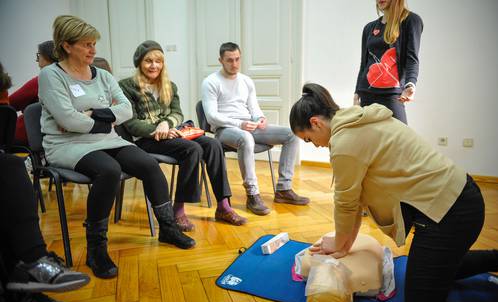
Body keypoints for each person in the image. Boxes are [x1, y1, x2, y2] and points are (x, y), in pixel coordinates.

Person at [289, 83, 498, 302]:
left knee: (420, 300)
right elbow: (355, 201)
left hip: (449, 214)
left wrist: (339, 242)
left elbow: (345, 203)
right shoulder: (357, 120)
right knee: (443, 268)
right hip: (461, 200)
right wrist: (344, 245)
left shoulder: (345, 141)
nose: (315, 146)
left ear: (315, 123)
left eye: (308, 139)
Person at [39, 15, 195, 279]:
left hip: (105, 139)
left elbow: (125, 109)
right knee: (109, 171)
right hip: (67, 143)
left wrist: (91, 116)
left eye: (93, 44)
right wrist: (102, 118)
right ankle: (96, 250)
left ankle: (167, 228)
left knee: (148, 163)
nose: (93, 50)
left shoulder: (103, 75)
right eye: (87, 44)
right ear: (67, 45)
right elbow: (66, 120)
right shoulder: (51, 75)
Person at [120, 40, 247, 231]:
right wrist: (156, 130)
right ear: (139, 63)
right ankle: (178, 209)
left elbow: (177, 113)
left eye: (158, 61)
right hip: (147, 140)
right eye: (148, 61)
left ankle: (223, 206)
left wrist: (166, 123)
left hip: (172, 133)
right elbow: (130, 122)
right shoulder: (126, 87)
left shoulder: (169, 85)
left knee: (213, 145)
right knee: (192, 149)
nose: (154, 65)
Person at [1, 70, 89, 302]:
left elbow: (9, 104)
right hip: (57, 145)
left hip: (82, 142)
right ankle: (33, 264)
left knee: (9, 166)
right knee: (9, 166)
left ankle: (25, 287)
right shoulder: (45, 80)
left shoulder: (88, 81)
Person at [202, 42, 309, 216]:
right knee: (246, 138)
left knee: (291, 134)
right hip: (224, 130)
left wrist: (260, 118)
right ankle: (252, 194)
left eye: (237, 59)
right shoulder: (211, 82)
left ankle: (283, 189)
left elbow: (254, 107)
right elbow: (211, 116)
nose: (234, 64)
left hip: (248, 127)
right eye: (229, 60)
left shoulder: (246, 81)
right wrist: (239, 124)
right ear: (220, 60)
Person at [354, 0, 423, 124]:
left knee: (401, 140)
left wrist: (410, 84)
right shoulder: (369, 28)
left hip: (392, 95)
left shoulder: (411, 21)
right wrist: (356, 93)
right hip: (367, 94)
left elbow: (412, 59)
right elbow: (364, 64)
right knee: (370, 141)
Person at [8, 40, 59, 145]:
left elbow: (10, 102)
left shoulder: (41, 80)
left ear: (47, 56)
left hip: (29, 133)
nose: (37, 60)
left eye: (39, 55)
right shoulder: (67, 77)